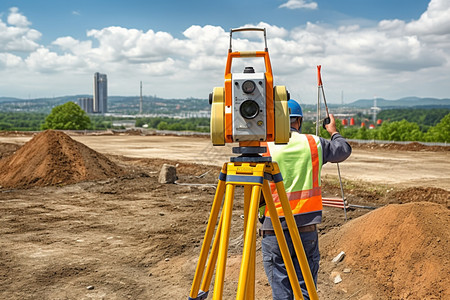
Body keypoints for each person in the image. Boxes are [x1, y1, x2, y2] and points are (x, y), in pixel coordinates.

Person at [260, 99, 352, 300]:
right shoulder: (314, 143)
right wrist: (333, 131)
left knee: (281, 292)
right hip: (305, 229)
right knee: (305, 290)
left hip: (273, 228)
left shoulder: (265, 147)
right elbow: (344, 150)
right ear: (299, 121)